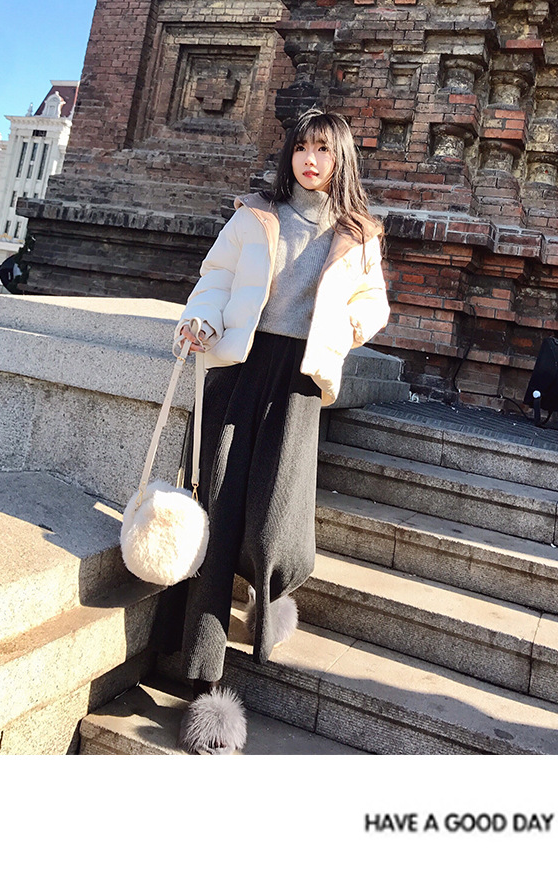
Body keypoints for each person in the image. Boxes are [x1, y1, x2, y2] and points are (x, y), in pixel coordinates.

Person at [154, 108, 390, 754]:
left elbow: (373, 303)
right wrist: (201, 320)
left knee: (273, 522)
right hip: (240, 370)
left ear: (341, 159)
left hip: (299, 383)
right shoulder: (255, 215)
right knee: (218, 513)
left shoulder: (359, 234)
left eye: (323, 150)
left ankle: (274, 592)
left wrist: (346, 329)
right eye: (302, 148)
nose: (310, 160)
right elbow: (216, 279)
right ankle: (204, 685)